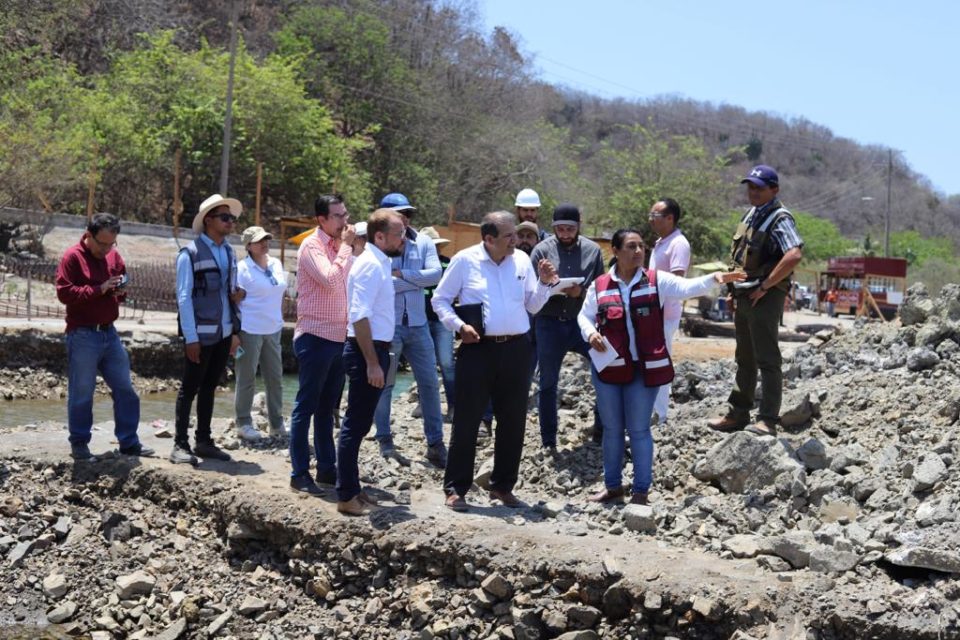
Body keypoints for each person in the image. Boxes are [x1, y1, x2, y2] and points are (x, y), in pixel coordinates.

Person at [578, 229, 744, 504]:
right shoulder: (600, 285)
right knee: (611, 429)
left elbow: (686, 288)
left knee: (639, 429)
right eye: (631, 247)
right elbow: (584, 316)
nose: (639, 251)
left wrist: (714, 279)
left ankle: (641, 491)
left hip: (644, 369)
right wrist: (590, 333)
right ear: (616, 252)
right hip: (609, 368)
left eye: (642, 246)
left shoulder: (656, 280)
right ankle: (613, 487)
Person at [432, 211, 558, 512]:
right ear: (489, 239)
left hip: (517, 349)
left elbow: (533, 305)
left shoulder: (521, 262)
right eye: (508, 236)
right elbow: (439, 300)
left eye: (515, 234)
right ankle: (456, 488)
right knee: (467, 420)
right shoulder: (465, 261)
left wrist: (544, 284)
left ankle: (502, 486)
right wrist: (459, 326)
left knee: (513, 420)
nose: (515, 240)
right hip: (477, 350)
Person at [708, 165, 804, 437]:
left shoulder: (779, 218)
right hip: (744, 295)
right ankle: (738, 413)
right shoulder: (750, 215)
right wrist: (731, 291)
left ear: (774, 190)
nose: (753, 192)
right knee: (745, 358)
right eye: (750, 187)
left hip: (764, 296)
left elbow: (794, 255)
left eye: (759, 188)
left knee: (767, 359)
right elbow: (739, 256)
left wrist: (766, 285)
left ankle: (767, 419)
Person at [55, 213, 153, 461]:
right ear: (89, 235)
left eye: (111, 243)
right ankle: (79, 443)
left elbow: (119, 289)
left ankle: (129, 442)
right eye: (102, 243)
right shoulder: (72, 257)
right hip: (83, 334)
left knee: (125, 389)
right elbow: (65, 293)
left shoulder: (113, 256)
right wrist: (99, 289)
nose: (107, 249)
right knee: (82, 391)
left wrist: (119, 290)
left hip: (109, 333)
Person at [337, 209, 406, 515]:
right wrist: (372, 362)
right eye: (398, 233)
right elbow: (359, 315)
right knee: (355, 424)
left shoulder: (379, 262)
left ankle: (353, 489)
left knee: (362, 423)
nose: (402, 238)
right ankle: (346, 496)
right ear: (380, 236)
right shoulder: (369, 265)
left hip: (375, 348)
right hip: (366, 349)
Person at [371, 192, 447, 468]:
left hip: (418, 324)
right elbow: (382, 284)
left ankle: (435, 444)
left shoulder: (423, 242)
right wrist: (417, 281)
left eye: (408, 214)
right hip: (388, 327)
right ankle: (384, 440)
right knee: (386, 385)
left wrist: (401, 276)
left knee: (429, 384)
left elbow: (436, 276)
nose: (406, 218)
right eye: (400, 213)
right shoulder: (376, 244)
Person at [287, 194, 355, 495]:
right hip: (314, 336)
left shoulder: (338, 247)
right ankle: (299, 472)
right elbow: (330, 279)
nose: (344, 221)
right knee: (306, 406)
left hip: (339, 336)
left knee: (328, 408)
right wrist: (348, 249)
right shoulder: (311, 246)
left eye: (345, 214)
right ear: (322, 220)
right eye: (338, 216)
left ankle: (327, 469)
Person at [173, 194, 243, 465]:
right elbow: (183, 297)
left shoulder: (228, 252)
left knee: (210, 386)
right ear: (208, 220)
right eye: (225, 218)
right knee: (189, 388)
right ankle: (180, 444)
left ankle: (203, 441)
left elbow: (228, 292)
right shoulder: (188, 254)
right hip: (200, 334)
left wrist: (235, 328)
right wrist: (191, 338)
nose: (230, 223)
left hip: (224, 332)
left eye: (232, 218)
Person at [530, 204, 606, 450]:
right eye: (559, 229)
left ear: (578, 227)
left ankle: (602, 431)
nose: (564, 234)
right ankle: (548, 440)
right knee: (548, 382)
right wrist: (547, 286)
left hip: (582, 323)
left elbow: (601, 292)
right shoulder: (541, 251)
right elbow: (530, 293)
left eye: (569, 229)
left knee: (604, 371)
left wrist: (580, 292)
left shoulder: (593, 252)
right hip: (549, 323)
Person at [233, 226, 287, 442]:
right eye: (258, 241)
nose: (265, 243)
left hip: (273, 328)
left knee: (275, 378)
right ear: (248, 246)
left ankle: (276, 423)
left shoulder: (276, 263)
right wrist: (234, 334)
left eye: (266, 239)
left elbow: (279, 293)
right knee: (246, 378)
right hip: (250, 329)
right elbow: (234, 300)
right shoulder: (242, 268)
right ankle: (243, 423)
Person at [647, 198, 691, 426]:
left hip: (665, 314)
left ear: (670, 218)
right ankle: (651, 411)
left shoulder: (678, 244)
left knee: (661, 363)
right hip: (652, 314)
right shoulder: (661, 242)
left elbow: (676, 281)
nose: (650, 220)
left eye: (655, 216)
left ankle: (660, 415)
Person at [420, 226, 455, 421]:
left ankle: (453, 406)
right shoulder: (415, 267)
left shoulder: (448, 265)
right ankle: (423, 405)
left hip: (442, 322)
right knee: (425, 365)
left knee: (447, 363)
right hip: (420, 322)